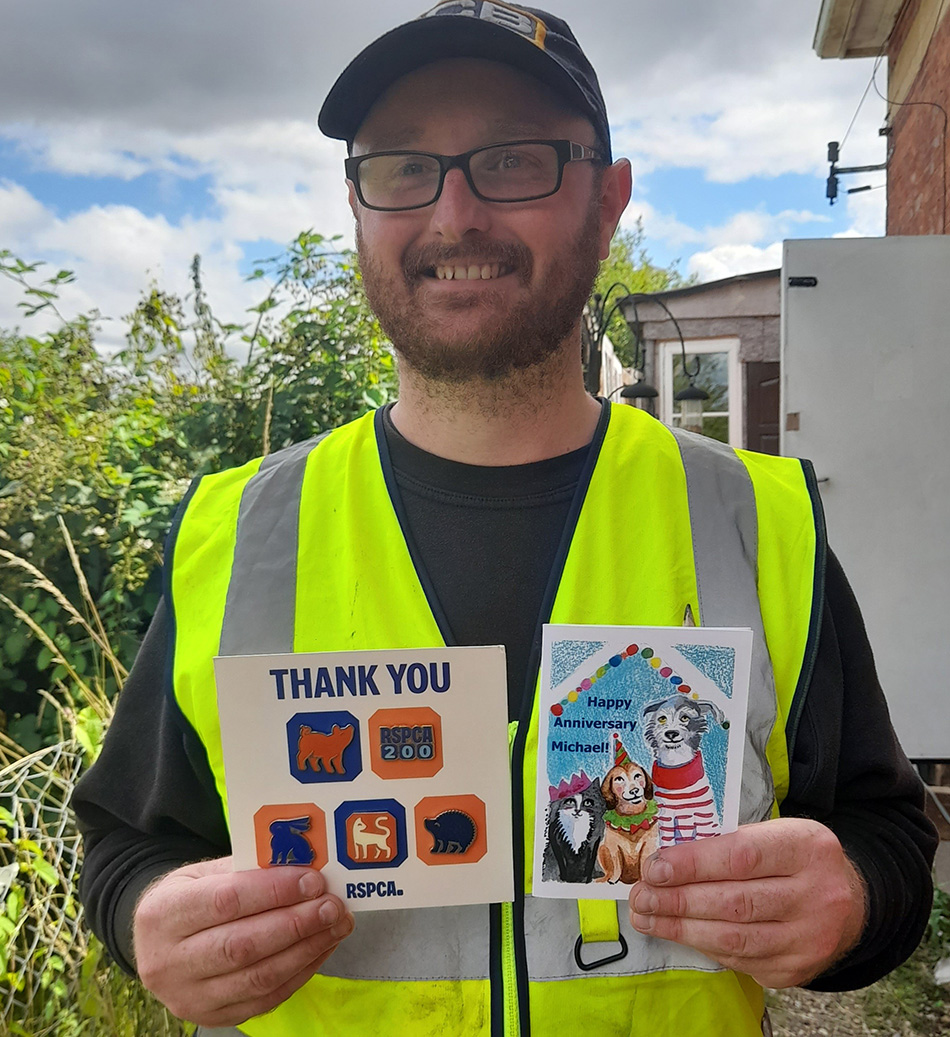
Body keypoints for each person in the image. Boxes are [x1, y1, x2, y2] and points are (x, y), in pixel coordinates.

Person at [73, 4, 938, 1036]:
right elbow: (126, 843)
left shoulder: (760, 519)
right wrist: (145, 919)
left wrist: (849, 903)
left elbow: (886, 834)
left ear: (608, 198)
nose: (454, 216)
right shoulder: (239, 528)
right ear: (358, 203)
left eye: (512, 160)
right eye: (402, 168)